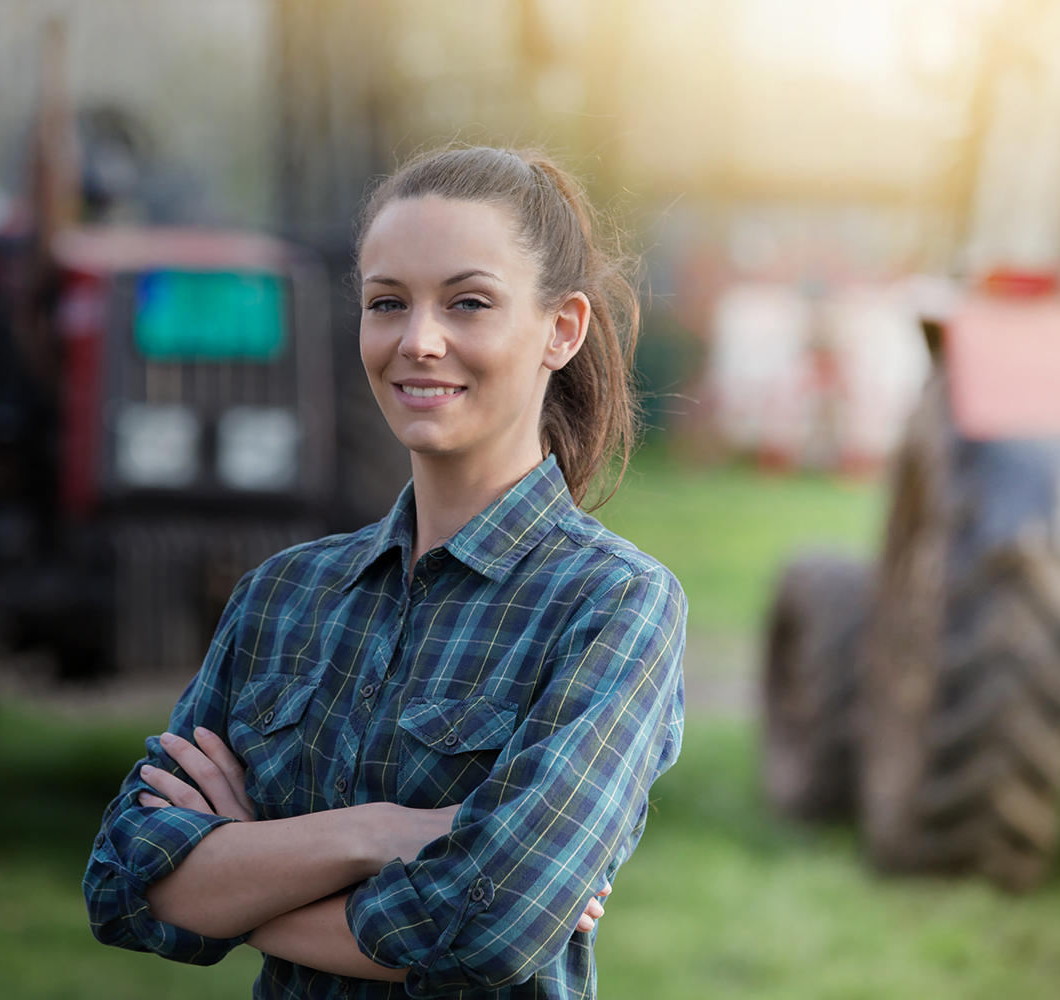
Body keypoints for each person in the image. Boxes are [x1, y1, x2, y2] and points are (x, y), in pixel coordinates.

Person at [83, 145, 686, 998]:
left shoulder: (614, 605)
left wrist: (234, 879)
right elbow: (121, 880)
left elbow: (493, 923)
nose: (418, 341)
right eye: (387, 303)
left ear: (562, 329)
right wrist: (372, 834)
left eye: (468, 302)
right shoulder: (282, 596)